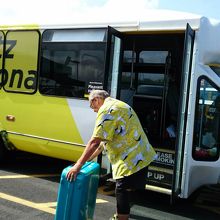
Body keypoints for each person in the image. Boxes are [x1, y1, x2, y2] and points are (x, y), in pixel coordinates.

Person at [66, 89, 157, 220]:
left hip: (130, 158)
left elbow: (95, 142)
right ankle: (121, 215)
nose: (94, 110)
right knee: (127, 189)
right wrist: (84, 161)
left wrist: (78, 166)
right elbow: (102, 144)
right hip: (142, 154)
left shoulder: (106, 110)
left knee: (121, 189)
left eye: (93, 107)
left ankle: (121, 218)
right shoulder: (118, 104)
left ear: (96, 100)